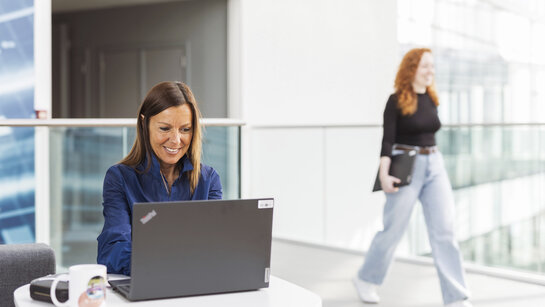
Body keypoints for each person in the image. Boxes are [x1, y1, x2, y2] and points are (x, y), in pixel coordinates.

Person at [353, 48, 472, 307]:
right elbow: (387, 141)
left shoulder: (431, 98)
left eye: (432, 66)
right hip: (405, 165)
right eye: (425, 66)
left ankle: (455, 297)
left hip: (435, 164)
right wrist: (384, 173)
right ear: (412, 69)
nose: (431, 71)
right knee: (393, 230)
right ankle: (366, 278)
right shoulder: (395, 101)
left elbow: (430, 133)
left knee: (445, 231)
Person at [97, 81, 222, 275]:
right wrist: (171, 265)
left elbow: (216, 248)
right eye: (165, 129)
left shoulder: (208, 180)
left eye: (185, 129)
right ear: (144, 124)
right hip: (146, 287)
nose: (176, 140)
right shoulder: (119, 178)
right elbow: (112, 251)